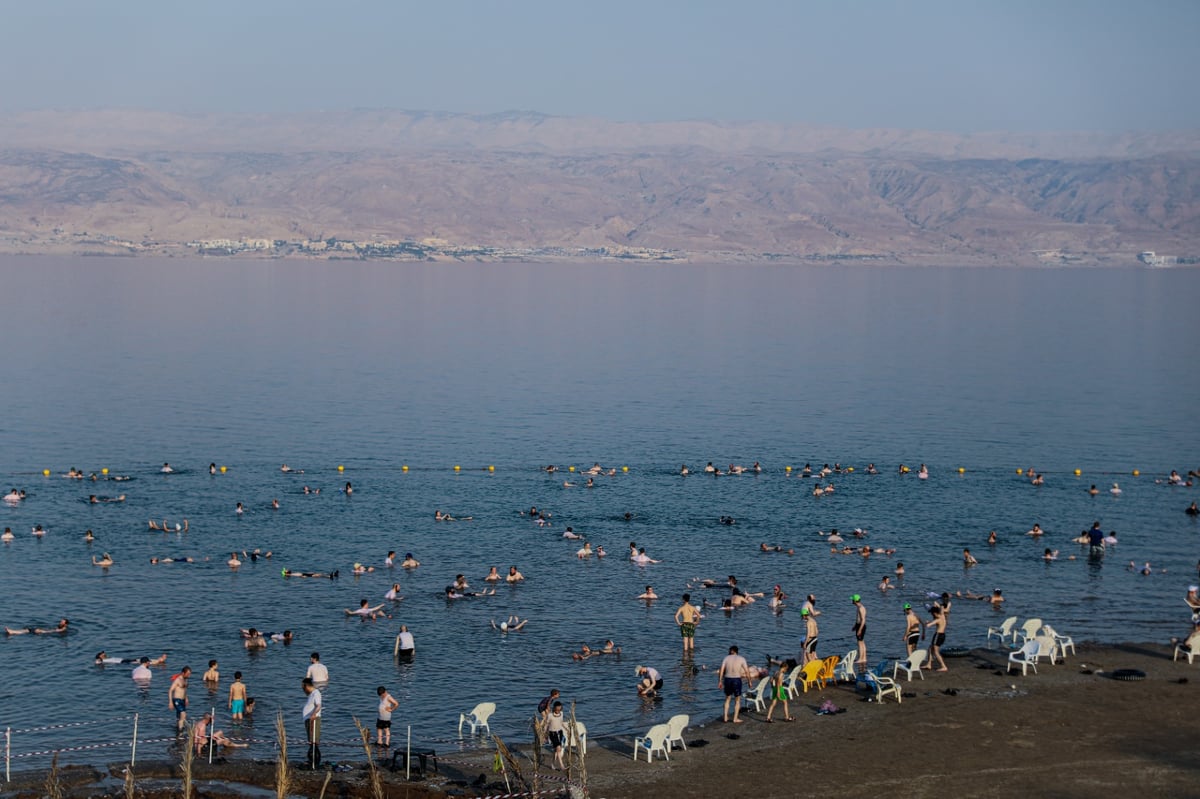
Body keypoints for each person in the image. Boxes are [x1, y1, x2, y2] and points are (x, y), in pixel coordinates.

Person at [717, 645, 752, 723]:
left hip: (727, 679)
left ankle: (725, 717)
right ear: (737, 651)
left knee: (727, 699)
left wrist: (719, 681)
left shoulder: (726, 658)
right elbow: (747, 671)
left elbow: (721, 670)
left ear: (730, 651)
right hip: (736, 680)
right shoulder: (741, 659)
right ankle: (735, 718)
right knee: (737, 700)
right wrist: (749, 681)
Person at [764, 658, 796, 722]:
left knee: (773, 704)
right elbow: (779, 683)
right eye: (786, 669)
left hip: (774, 688)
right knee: (785, 702)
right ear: (784, 667)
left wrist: (772, 687)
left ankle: (768, 717)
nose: (786, 670)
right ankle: (786, 717)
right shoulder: (781, 674)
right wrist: (779, 692)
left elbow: (771, 680)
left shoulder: (776, 672)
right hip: (779, 689)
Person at [302, 677, 322, 769]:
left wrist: (313, 714)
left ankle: (315, 763)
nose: (302, 689)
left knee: (314, 742)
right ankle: (312, 761)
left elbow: (318, 706)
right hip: (309, 720)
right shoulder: (311, 695)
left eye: (303, 687)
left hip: (313, 719)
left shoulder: (316, 693)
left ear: (306, 686)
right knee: (311, 742)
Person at [925, 605, 948, 671]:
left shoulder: (938, 619)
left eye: (932, 614)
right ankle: (929, 664)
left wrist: (927, 623)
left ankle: (943, 666)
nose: (932, 616)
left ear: (934, 613)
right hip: (943, 635)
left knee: (935, 651)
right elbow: (941, 607)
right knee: (930, 648)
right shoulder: (942, 616)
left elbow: (928, 626)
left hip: (938, 635)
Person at [546, 701, 567, 770]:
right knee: (558, 748)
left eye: (559, 709)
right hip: (552, 733)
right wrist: (544, 734)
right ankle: (562, 765)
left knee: (556, 751)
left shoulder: (561, 713)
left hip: (560, 733)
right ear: (554, 708)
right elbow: (546, 724)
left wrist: (566, 728)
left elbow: (561, 722)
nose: (558, 711)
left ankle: (552, 764)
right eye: (557, 709)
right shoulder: (550, 715)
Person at [169, 666, 190, 732]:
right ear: (183, 673)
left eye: (190, 674)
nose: (189, 675)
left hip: (183, 700)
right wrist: (170, 702)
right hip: (177, 700)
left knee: (179, 717)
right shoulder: (177, 680)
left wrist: (186, 698)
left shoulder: (186, 680)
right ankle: (181, 731)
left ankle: (177, 731)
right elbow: (170, 690)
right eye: (188, 674)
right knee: (183, 715)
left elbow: (185, 690)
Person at [852, 594, 867, 666]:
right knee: (862, 642)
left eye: (852, 600)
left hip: (861, 626)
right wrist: (855, 626)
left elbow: (863, 620)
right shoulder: (859, 607)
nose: (852, 601)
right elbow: (858, 619)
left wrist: (859, 630)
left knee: (860, 643)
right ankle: (864, 658)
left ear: (855, 601)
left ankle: (861, 658)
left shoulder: (861, 608)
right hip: (859, 625)